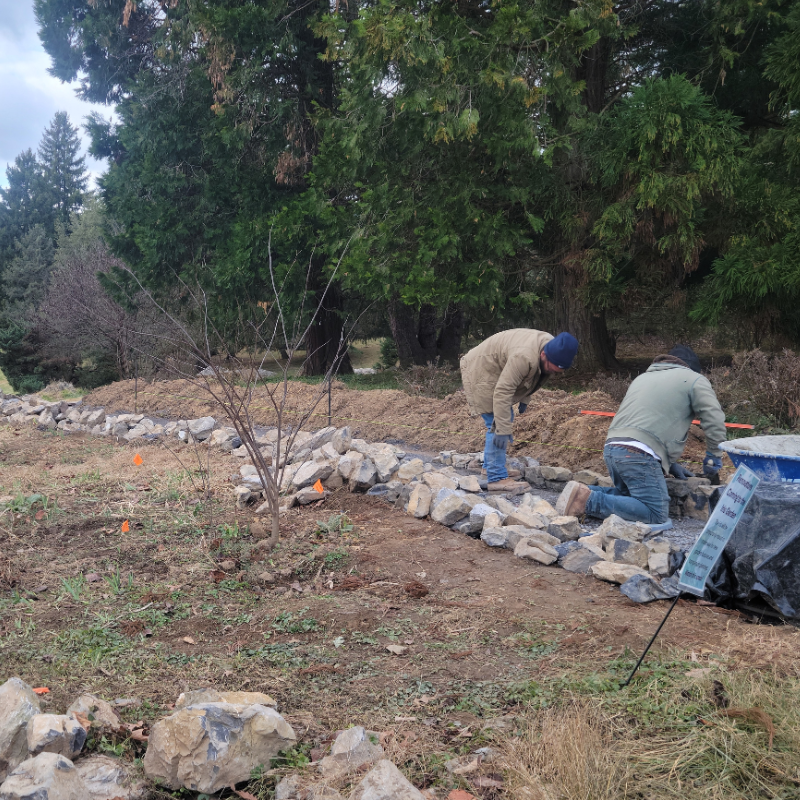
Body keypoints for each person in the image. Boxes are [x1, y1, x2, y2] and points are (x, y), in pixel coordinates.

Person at [556, 345, 726, 525]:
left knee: (628, 496)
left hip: (612, 447)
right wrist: (714, 455)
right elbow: (713, 418)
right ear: (691, 369)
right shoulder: (694, 379)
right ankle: (587, 501)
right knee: (655, 512)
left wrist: (668, 462)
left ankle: (581, 491)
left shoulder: (643, 378)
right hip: (638, 453)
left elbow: (646, 422)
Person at [460, 329, 579, 492]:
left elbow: (533, 376)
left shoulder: (553, 347)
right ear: (544, 354)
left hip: (497, 369)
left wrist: (524, 398)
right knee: (497, 421)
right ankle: (496, 477)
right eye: (553, 369)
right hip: (481, 370)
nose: (555, 373)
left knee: (502, 418)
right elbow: (503, 391)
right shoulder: (524, 357)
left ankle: (489, 467)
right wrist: (502, 430)